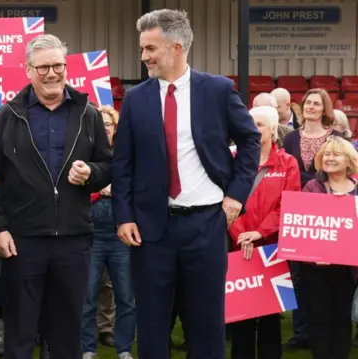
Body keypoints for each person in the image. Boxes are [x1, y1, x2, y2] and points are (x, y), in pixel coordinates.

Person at [111, 9, 261, 359]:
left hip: (206, 225)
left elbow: (251, 140)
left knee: (207, 322)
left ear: (176, 47)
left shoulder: (219, 90)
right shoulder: (136, 98)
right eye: (142, 48)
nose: (143, 56)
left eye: (150, 48)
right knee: (151, 323)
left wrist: (236, 195)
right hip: (150, 229)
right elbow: (123, 163)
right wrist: (124, 216)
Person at [0, 34, 112, 359]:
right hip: (22, 243)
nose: (52, 73)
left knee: (68, 334)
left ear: (66, 67)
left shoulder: (88, 114)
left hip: (73, 240)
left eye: (58, 66)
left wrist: (91, 174)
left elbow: (108, 167)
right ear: (28, 70)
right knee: (21, 333)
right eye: (43, 68)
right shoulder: (6, 117)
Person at [228, 106, 301, 359]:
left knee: (270, 314)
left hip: (271, 247)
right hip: (237, 245)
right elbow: (224, 201)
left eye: (260, 124)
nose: (254, 129)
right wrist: (240, 233)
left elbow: (288, 204)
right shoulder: (232, 159)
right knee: (241, 315)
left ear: (273, 129)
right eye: (250, 124)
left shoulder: (287, 163)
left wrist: (259, 233)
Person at [282, 88, 342, 351]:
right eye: (308, 103)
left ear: (325, 108)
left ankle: (326, 331)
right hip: (296, 211)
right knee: (298, 273)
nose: (311, 107)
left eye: (317, 103)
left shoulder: (336, 138)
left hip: (328, 212)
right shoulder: (291, 138)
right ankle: (301, 332)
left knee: (325, 273)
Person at [81, 106, 135, 359]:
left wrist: (119, 191)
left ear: (115, 128)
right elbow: (75, 190)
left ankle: (124, 348)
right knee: (87, 296)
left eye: (108, 124)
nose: (104, 127)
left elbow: (137, 188)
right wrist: (100, 190)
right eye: (100, 123)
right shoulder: (86, 153)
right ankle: (87, 348)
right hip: (90, 236)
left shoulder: (125, 155)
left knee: (125, 296)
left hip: (120, 237)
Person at [300, 136, 358, 359]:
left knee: (342, 319)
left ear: (349, 160)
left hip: (348, 270)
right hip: (316, 269)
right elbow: (302, 228)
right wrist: (314, 256)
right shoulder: (311, 187)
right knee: (319, 319)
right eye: (326, 154)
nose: (329, 158)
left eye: (336, 154)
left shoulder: (356, 190)